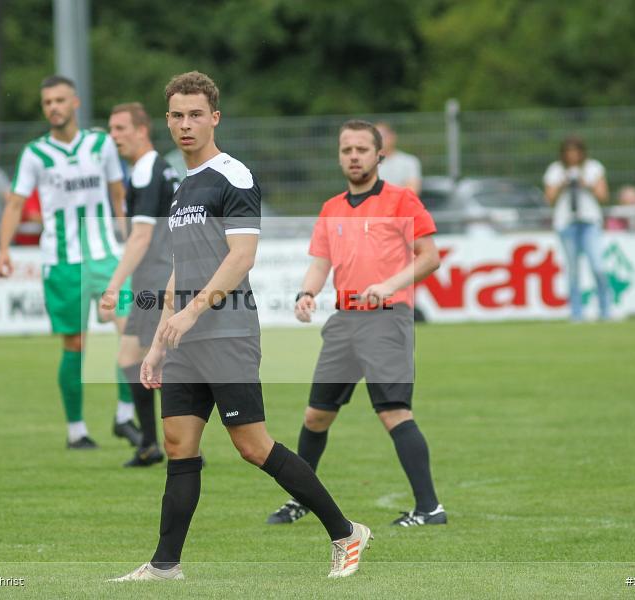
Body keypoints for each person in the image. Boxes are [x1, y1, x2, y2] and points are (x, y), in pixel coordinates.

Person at [110, 71, 371, 583]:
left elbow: (241, 257)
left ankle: (346, 532)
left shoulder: (235, 176)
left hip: (226, 332)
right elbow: (179, 270)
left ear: (214, 118)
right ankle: (165, 566)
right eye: (178, 116)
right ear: (167, 121)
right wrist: (161, 340)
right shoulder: (181, 189)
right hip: (183, 339)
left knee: (252, 445)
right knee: (179, 447)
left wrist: (192, 312)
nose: (186, 125)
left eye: (196, 115)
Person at [265, 119, 446, 529]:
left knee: (394, 412)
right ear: (339, 155)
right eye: (347, 149)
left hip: (387, 319)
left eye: (362, 149)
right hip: (344, 322)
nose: (353, 156)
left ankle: (429, 508)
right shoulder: (331, 208)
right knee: (315, 416)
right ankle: (301, 500)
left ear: (378, 155)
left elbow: (430, 256)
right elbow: (321, 262)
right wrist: (305, 294)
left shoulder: (402, 201)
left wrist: (390, 285)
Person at [0, 75, 140, 449]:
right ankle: (76, 430)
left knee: (130, 331)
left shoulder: (100, 143)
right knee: (75, 342)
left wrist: (127, 235)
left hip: (106, 255)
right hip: (62, 260)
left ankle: (125, 415)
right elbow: (15, 202)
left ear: (75, 103)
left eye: (60, 100)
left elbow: (117, 191)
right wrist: (3, 249)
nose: (54, 108)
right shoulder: (35, 154)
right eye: (47, 103)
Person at [101, 102, 180, 467]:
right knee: (132, 359)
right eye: (111, 129)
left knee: (160, 362)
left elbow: (142, 237)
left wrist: (114, 284)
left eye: (120, 128)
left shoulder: (148, 168)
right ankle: (152, 443)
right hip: (159, 274)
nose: (114, 136)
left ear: (142, 129)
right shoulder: (151, 170)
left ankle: (178, 443)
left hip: (157, 277)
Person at [544, 135, 611, 321]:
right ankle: (576, 312)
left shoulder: (593, 168)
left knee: (597, 265)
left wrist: (585, 183)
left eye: (575, 151)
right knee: (573, 270)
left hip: (589, 222)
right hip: (566, 222)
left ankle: (605, 310)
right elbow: (548, 198)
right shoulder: (556, 170)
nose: (572, 155)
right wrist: (562, 183)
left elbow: (603, 195)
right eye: (568, 152)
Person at [375, 121, 421, 194]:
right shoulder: (368, 164)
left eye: (382, 136)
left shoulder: (409, 161)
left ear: (392, 136)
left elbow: (412, 192)